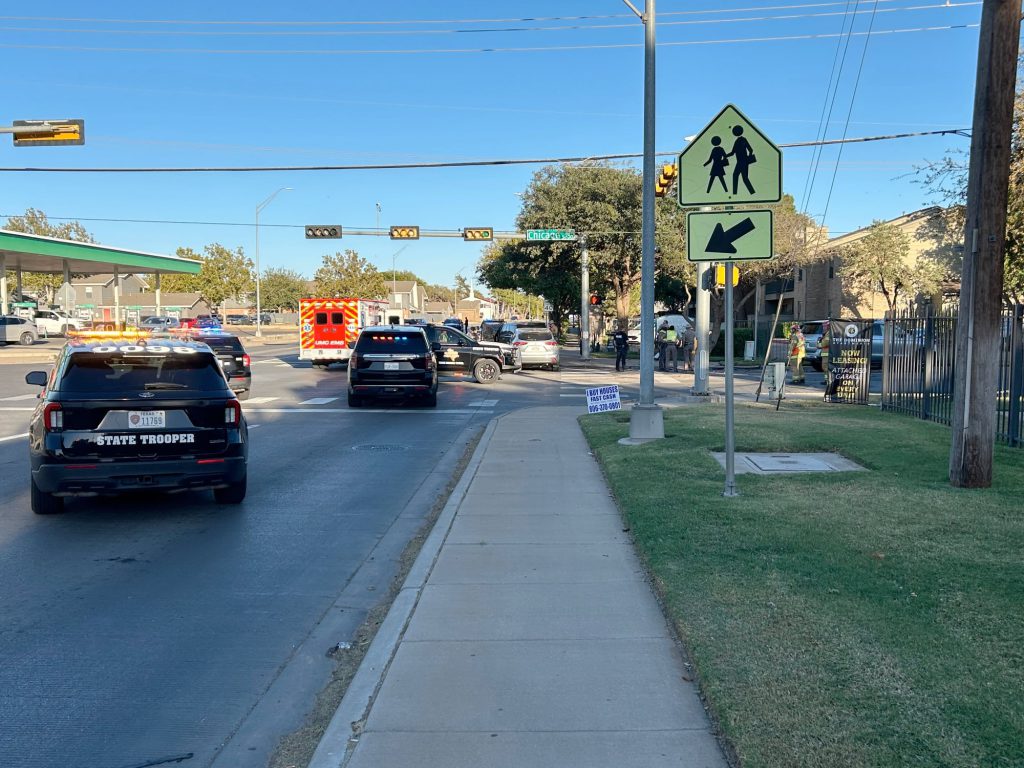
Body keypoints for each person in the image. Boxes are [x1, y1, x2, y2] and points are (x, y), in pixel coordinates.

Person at [819, 322, 831, 391]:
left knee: (825, 367)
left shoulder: (829, 333)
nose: (824, 328)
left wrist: (819, 344)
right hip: (825, 353)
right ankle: (826, 380)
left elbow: (824, 343)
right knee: (825, 367)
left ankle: (828, 380)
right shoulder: (827, 333)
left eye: (825, 327)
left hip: (827, 353)